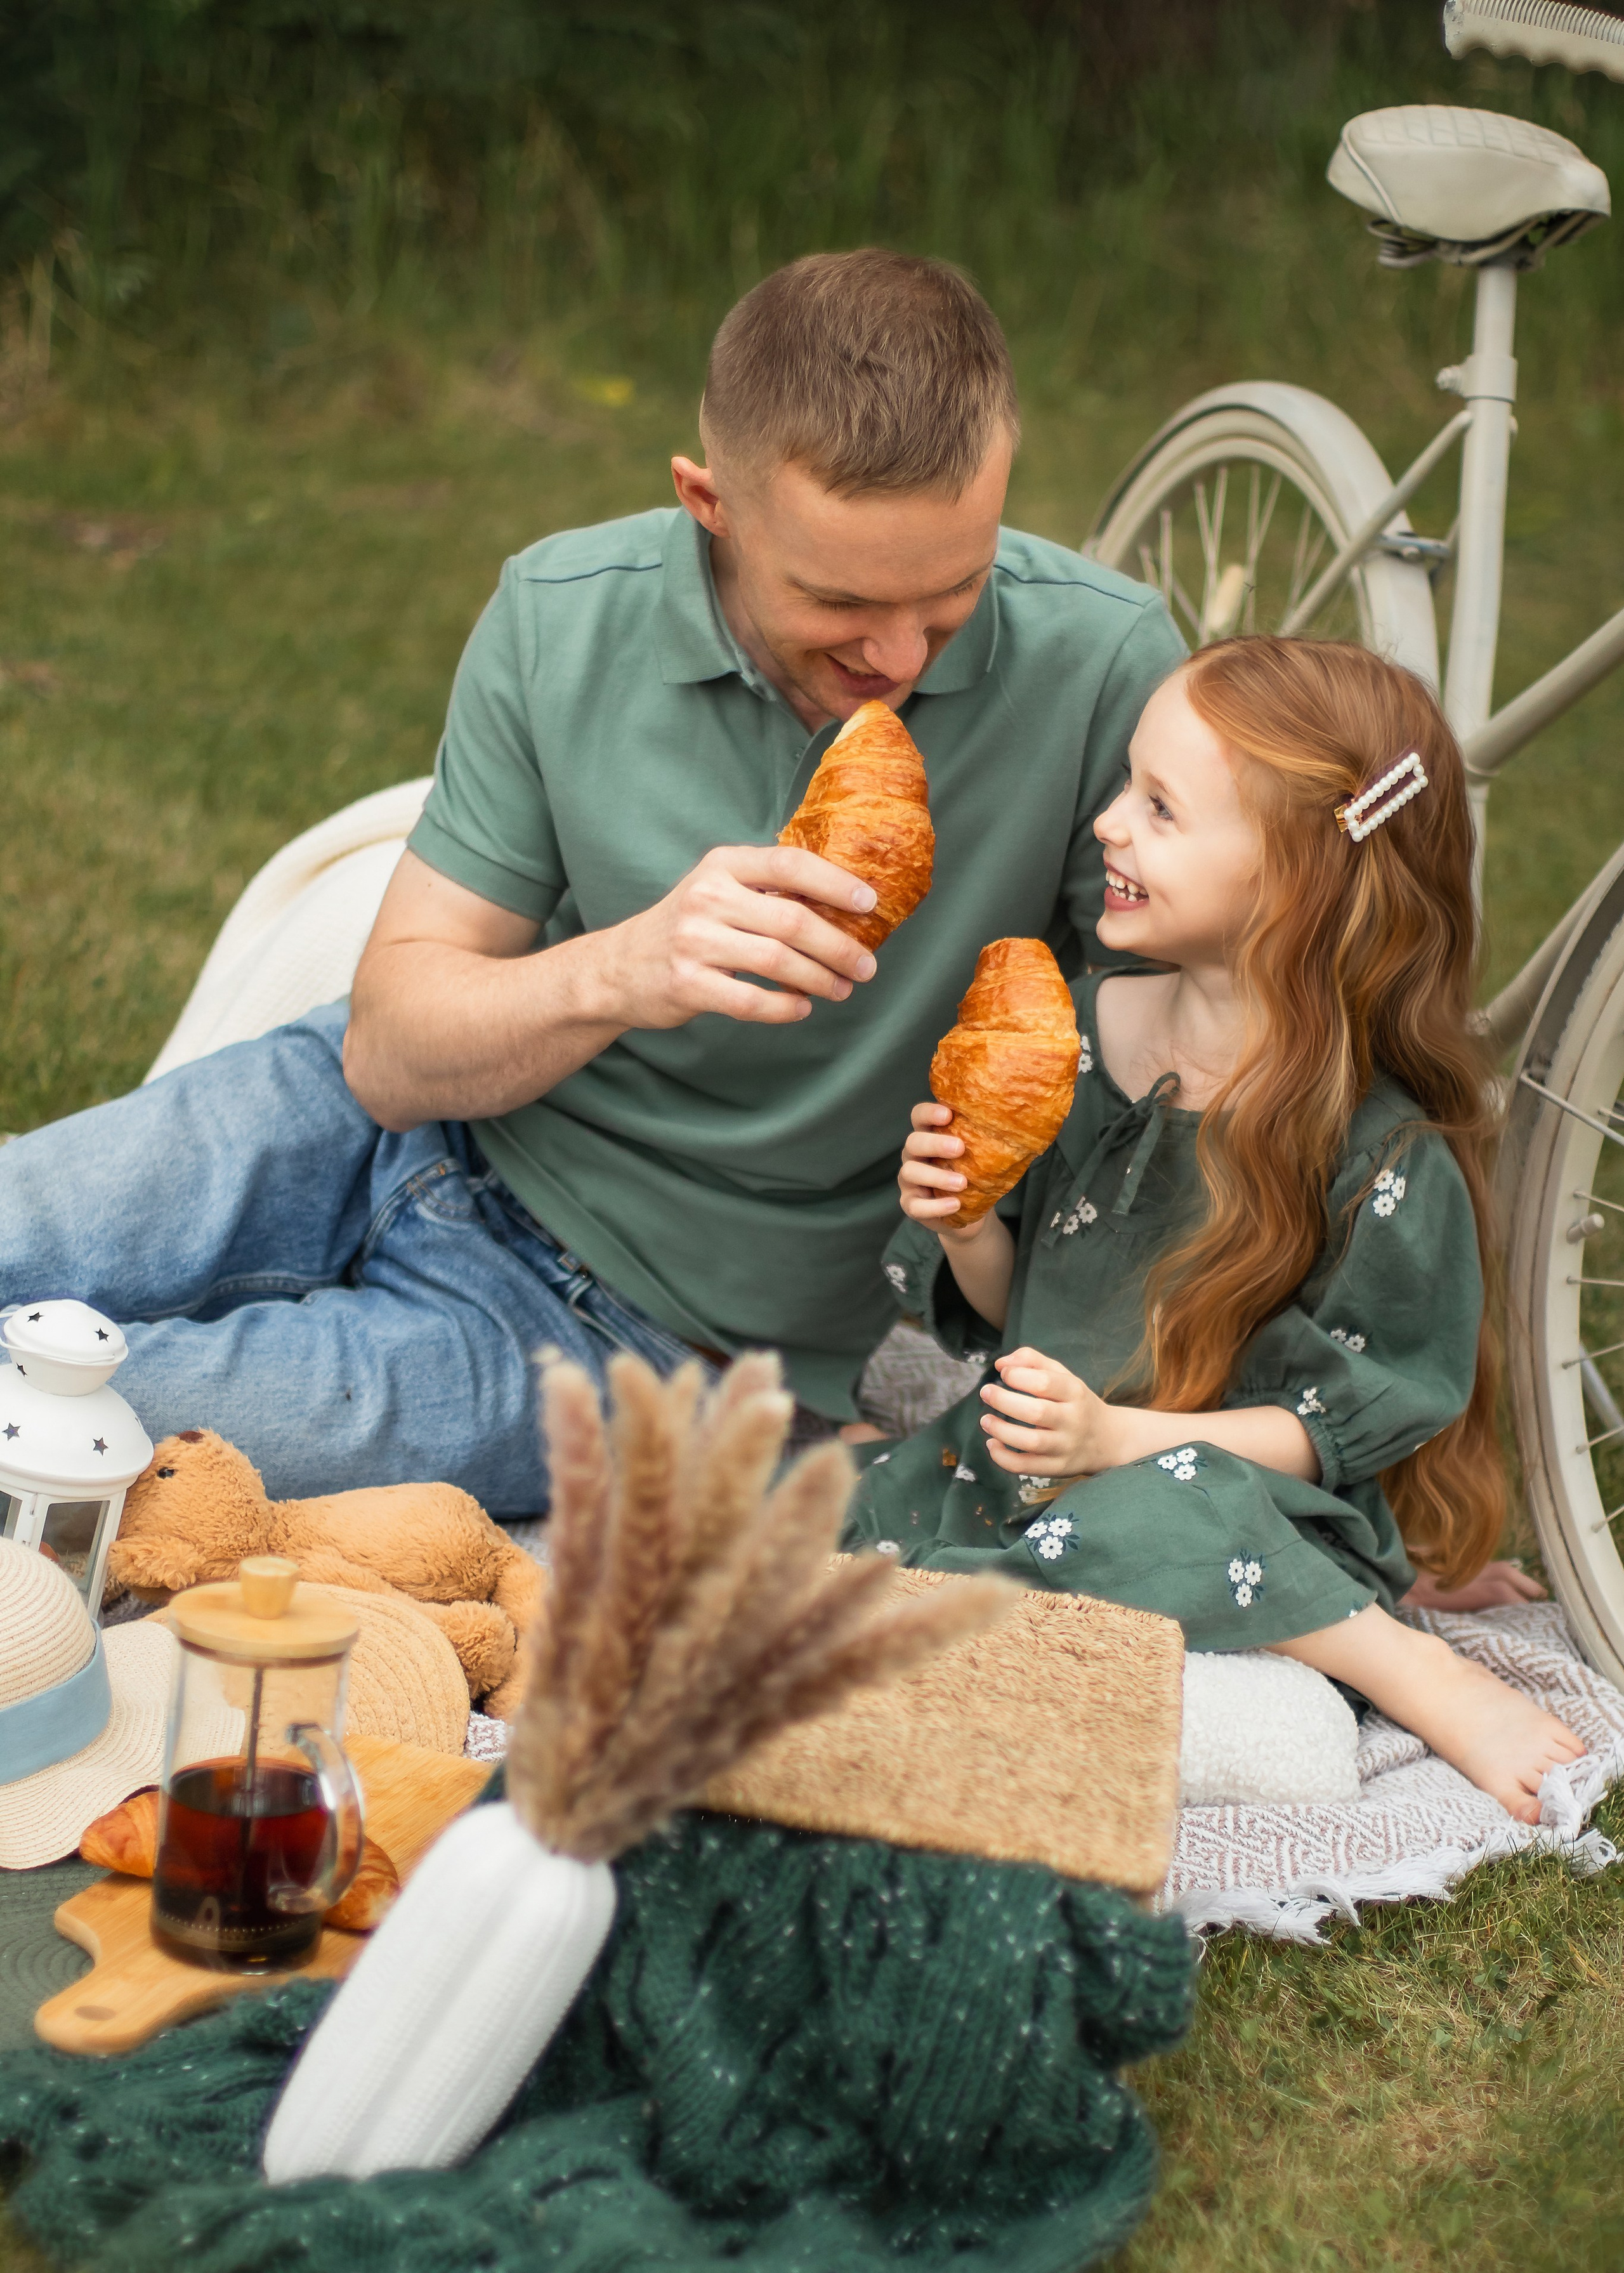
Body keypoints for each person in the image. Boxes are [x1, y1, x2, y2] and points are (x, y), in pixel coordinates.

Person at [0, 250, 1182, 1510]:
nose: (897, 653)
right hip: (389, 1124)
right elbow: (388, 1057)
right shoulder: (562, 612)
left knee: (75, 1429)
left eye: (952, 593)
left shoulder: (1103, 669)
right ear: (707, 502)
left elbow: (1195, 1065)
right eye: (836, 599)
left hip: (636, 1337)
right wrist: (631, 967)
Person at [844, 636, 1581, 1823]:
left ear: (1295, 877)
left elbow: (1328, 1427)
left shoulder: (1378, 1152)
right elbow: (1023, 1312)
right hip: (1048, 1472)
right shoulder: (1086, 1037)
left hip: (1241, 1501)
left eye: (1160, 807)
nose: (1107, 825)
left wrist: (1120, 1441)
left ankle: (1410, 1668)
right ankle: (1000, 1642)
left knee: (1165, 1508)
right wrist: (969, 1219)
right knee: (846, 1526)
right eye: (1126, 785)